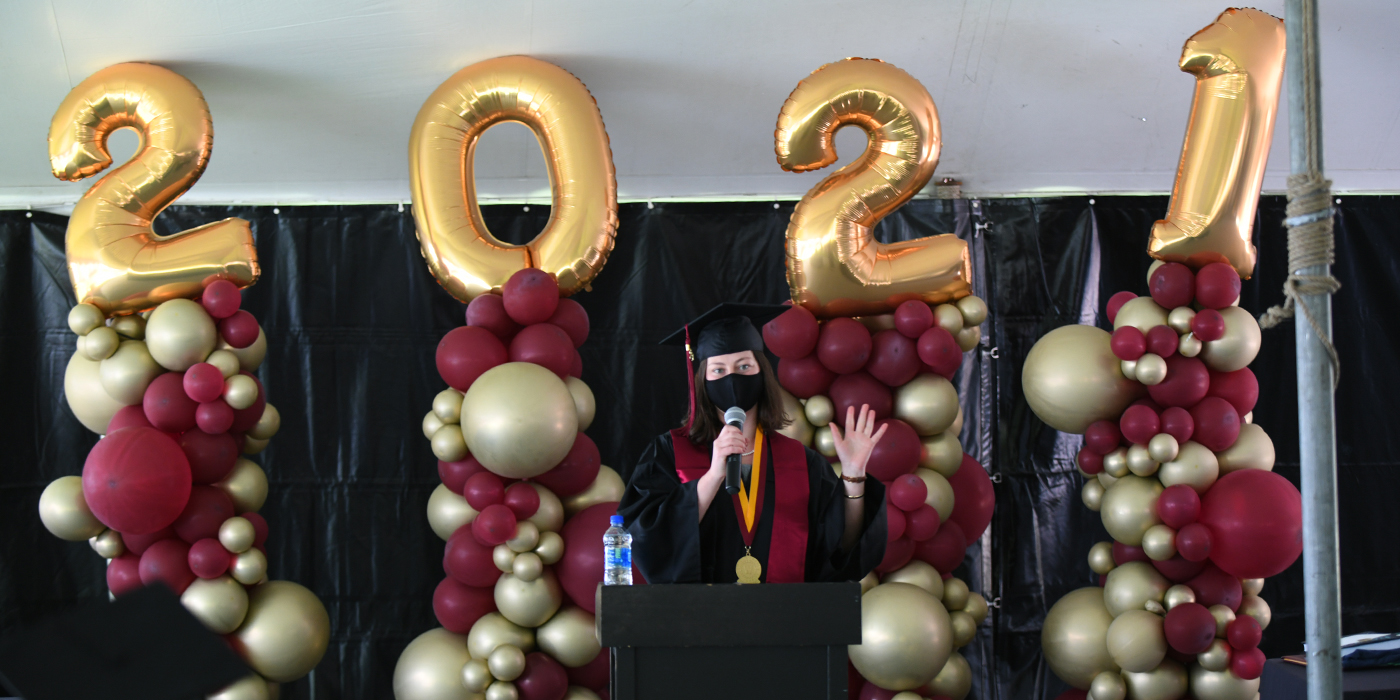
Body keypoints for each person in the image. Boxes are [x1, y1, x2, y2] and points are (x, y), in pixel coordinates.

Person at [618, 304, 888, 584]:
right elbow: (643, 537)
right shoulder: (668, 454)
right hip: (696, 620)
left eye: (744, 366)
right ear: (702, 381)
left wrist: (854, 476)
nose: (732, 379)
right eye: (718, 369)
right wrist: (712, 477)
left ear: (762, 373)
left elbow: (841, 547)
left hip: (780, 620)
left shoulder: (800, 462)